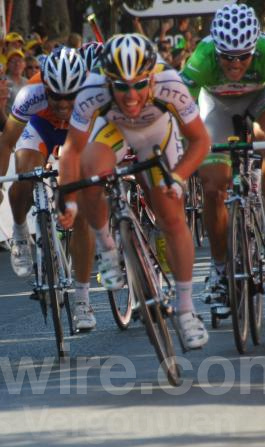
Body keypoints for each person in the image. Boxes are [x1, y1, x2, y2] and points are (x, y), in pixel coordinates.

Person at [57, 34, 211, 347]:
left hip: (157, 136)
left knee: (171, 216)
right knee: (90, 172)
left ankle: (185, 311)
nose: (130, 96)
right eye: (121, 86)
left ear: (152, 78)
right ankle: (108, 249)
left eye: (140, 85)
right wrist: (68, 202)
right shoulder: (92, 89)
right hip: (113, 132)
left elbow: (201, 141)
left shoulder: (170, 83)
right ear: (107, 81)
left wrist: (178, 177)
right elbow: (71, 151)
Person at [180, 3, 265, 308]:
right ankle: (220, 269)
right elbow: (182, 115)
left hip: (260, 97)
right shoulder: (201, 59)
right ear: (216, 50)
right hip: (217, 104)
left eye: (243, 57)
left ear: (254, 48)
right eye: (227, 57)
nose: (235, 65)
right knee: (212, 186)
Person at [0, 48, 102, 329]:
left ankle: (83, 300)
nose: (63, 104)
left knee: (81, 213)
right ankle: (20, 231)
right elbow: (5, 144)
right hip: (40, 128)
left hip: (78, 132)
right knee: (24, 176)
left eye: (69, 96)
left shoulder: (94, 92)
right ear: (46, 88)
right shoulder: (31, 93)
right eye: (56, 96)